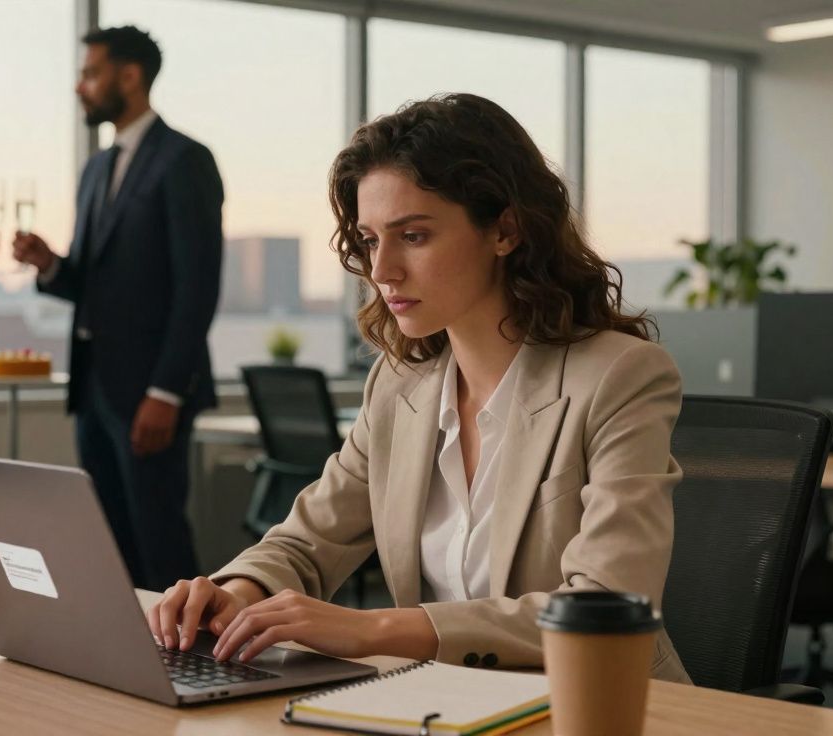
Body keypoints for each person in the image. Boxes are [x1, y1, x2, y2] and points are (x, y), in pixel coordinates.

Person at [146, 93, 692, 684]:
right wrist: (239, 590)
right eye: (372, 240)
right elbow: (307, 541)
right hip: (445, 705)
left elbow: (605, 604)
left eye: (413, 236)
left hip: (598, 706)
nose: (382, 271)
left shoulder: (621, 377)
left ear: (505, 229)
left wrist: (374, 629)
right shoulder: (401, 386)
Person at [13, 27, 223, 591]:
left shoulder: (185, 160)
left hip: (151, 393)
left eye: (91, 73)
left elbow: (198, 286)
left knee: (160, 546)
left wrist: (166, 391)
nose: (81, 87)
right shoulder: (96, 170)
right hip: (94, 389)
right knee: (107, 547)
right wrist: (50, 266)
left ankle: (194, 665)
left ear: (129, 76)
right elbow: (90, 281)